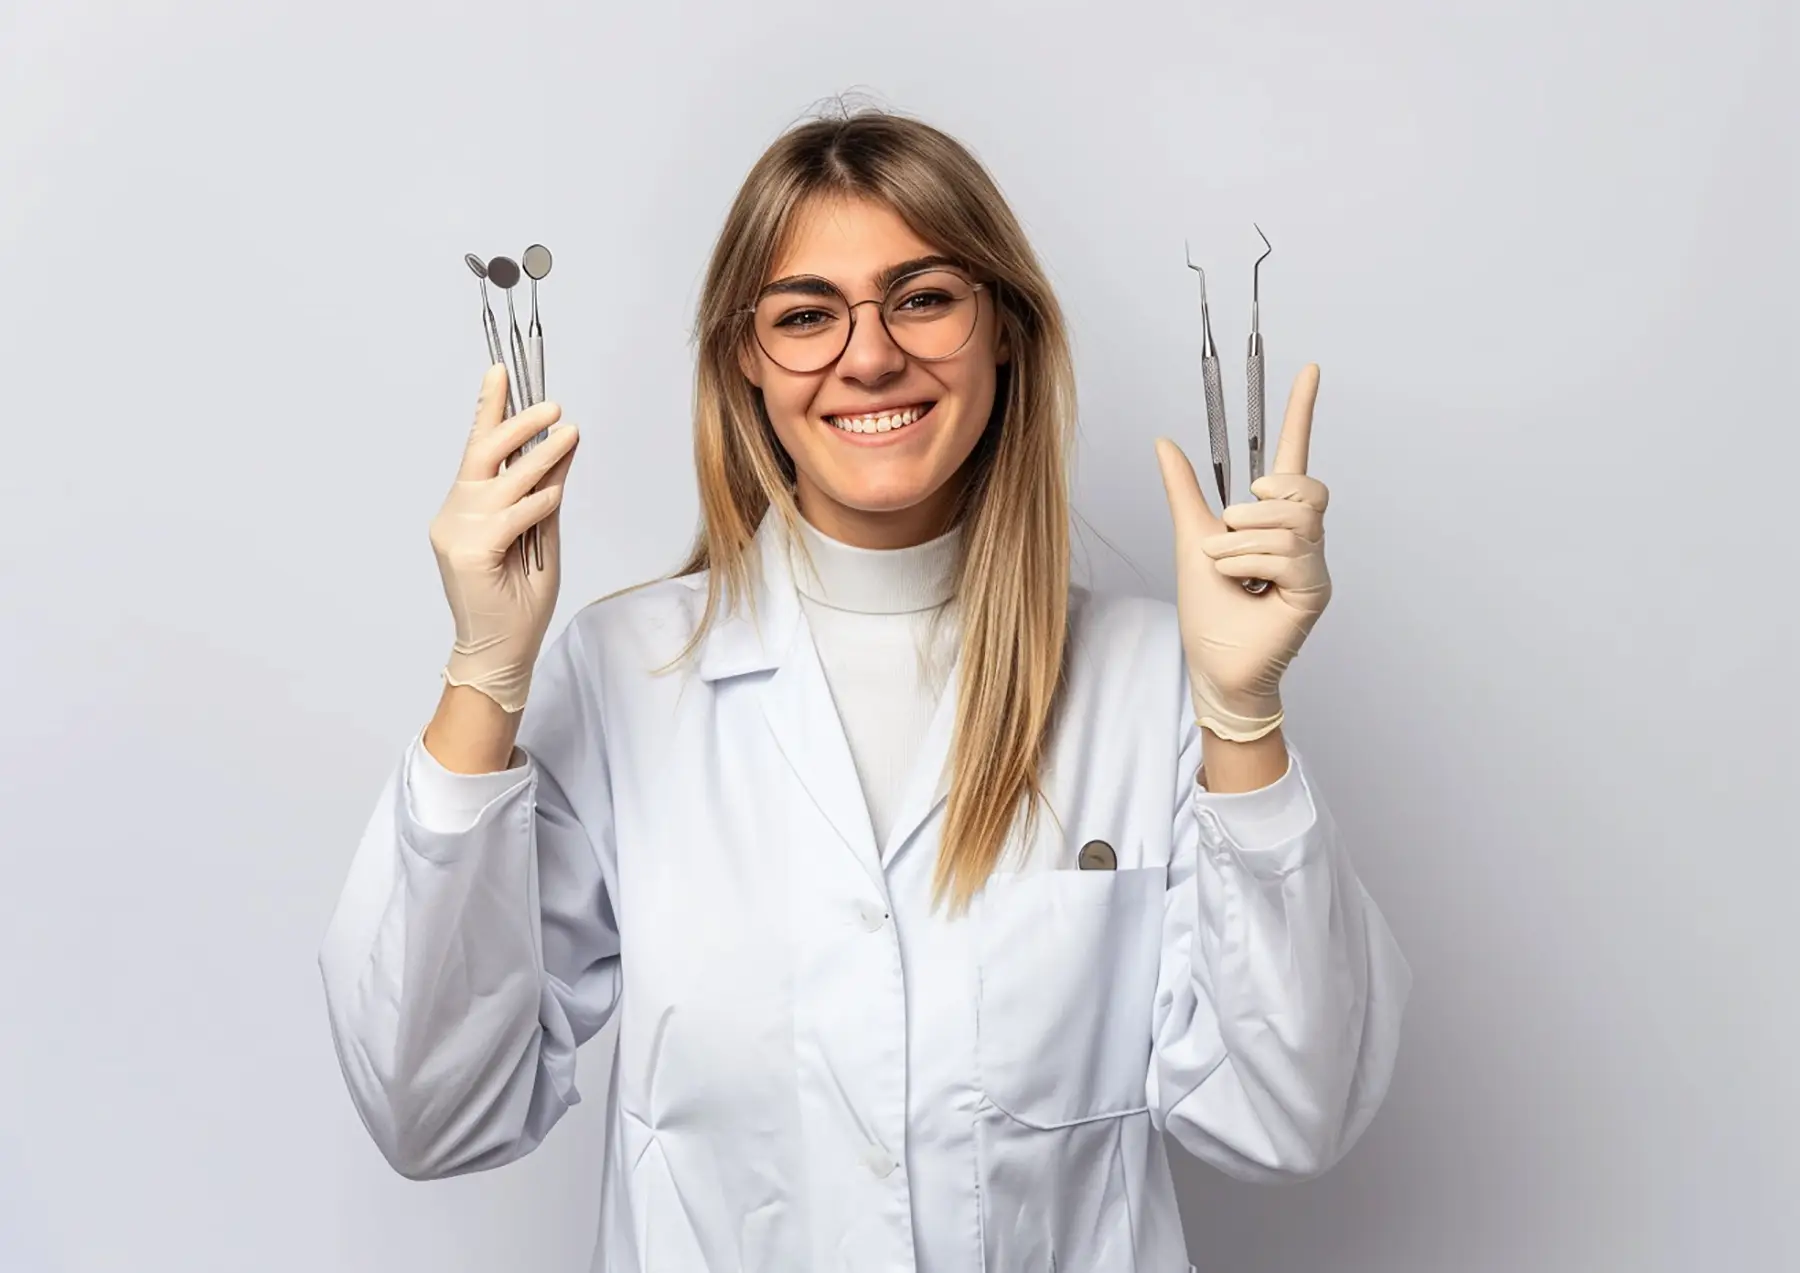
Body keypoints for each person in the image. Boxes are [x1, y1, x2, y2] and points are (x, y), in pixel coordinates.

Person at [318, 105, 1412, 1272]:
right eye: (805, 316)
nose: (871, 354)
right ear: (746, 358)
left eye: (924, 296)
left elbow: (1291, 1114)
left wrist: (1244, 721)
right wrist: (484, 676)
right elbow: (433, 1110)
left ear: (1004, 328)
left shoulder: (1153, 680)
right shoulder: (626, 673)